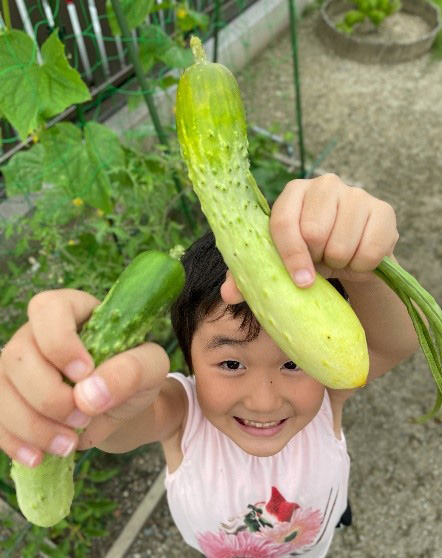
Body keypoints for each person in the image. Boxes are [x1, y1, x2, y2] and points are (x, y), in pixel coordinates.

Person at [0, 174, 419, 557]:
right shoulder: (180, 413)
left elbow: (395, 342)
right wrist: (84, 390)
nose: (264, 400)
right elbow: (118, 421)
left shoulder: (331, 389)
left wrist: (368, 270)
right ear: (190, 362)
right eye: (232, 362)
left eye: (294, 362)